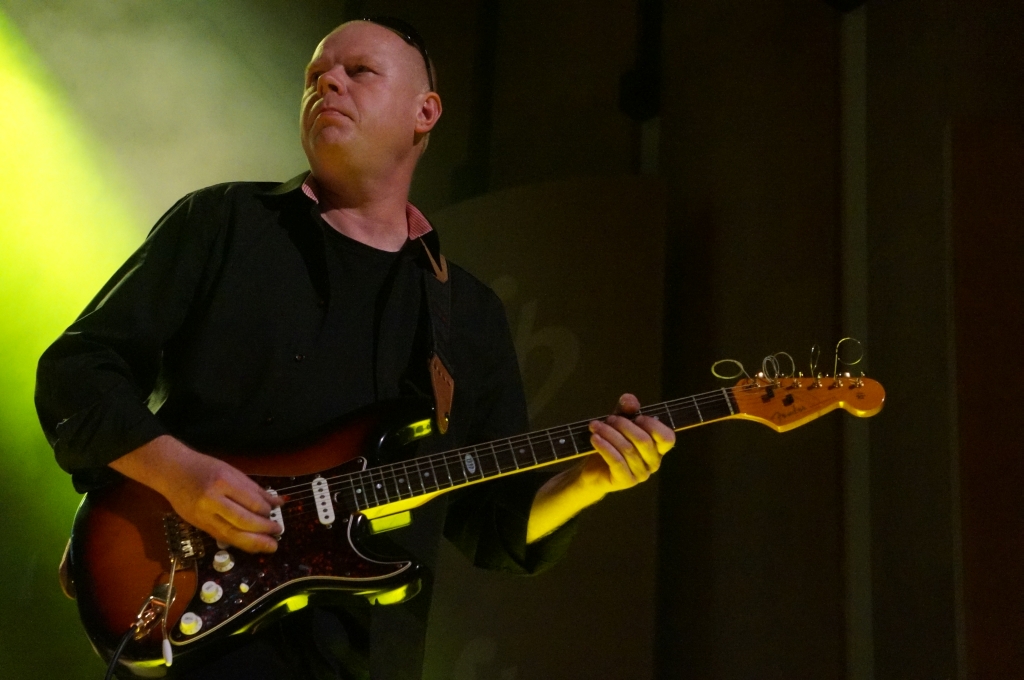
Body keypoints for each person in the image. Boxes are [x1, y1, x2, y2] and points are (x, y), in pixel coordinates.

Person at [35, 17, 676, 680]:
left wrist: (592, 478)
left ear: (425, 113)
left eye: (358, 71)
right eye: (315, 76)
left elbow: (495, 525)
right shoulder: (222, 223)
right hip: (200, 637)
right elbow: (76, 372)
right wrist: (181, 475)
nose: (327, 84)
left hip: (362, 659)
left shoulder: (466, 313)